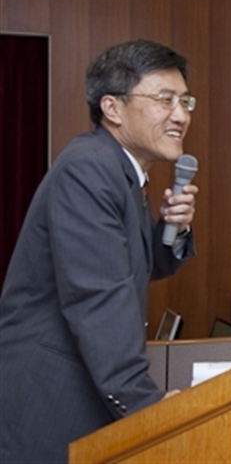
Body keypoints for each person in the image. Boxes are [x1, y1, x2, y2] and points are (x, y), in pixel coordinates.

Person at [0, 39, 199, 463]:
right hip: (49, 399)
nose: (181, 115)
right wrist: (147, 405)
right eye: (165, 100)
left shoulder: (122, 171)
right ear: (112, 107)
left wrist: (174, 229)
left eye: (185, 101)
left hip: (77, 388)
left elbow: (135, 264)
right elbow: (98, 297)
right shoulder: (90, 168)